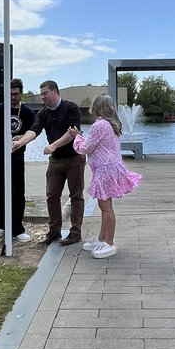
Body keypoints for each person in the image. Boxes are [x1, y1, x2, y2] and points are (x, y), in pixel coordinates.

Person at [12, 80, 84, 246]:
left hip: (74, 158)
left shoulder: (71, 107)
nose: (42, 97)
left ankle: (75, 232)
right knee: (52, 195)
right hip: (56, 160)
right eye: (41, 94)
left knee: (76, 195)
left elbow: (72, 133)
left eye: (45, 93)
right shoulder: (43, 113)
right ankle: (54, 231)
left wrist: (54, 145)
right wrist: (21, 142)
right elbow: (34, 130)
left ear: (55, 91)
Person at [69, 94, 141, 259]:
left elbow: (86, 148)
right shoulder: (112, 124)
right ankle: (102, 238)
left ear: (96, 107)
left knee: (106, 207)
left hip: (105, 170)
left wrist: (77, 136)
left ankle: (109, 242)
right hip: (110, 167)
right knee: (104, 206)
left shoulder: (99, 125)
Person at [0, 78, 35, 243]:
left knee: (17, 193)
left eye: (16, 94)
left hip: (17, 157)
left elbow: (34, 132)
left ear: (21, 93)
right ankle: (1, 225)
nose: (13, 97)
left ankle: (18, 229)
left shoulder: (27, 112)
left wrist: (22, 137)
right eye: (10, 94)